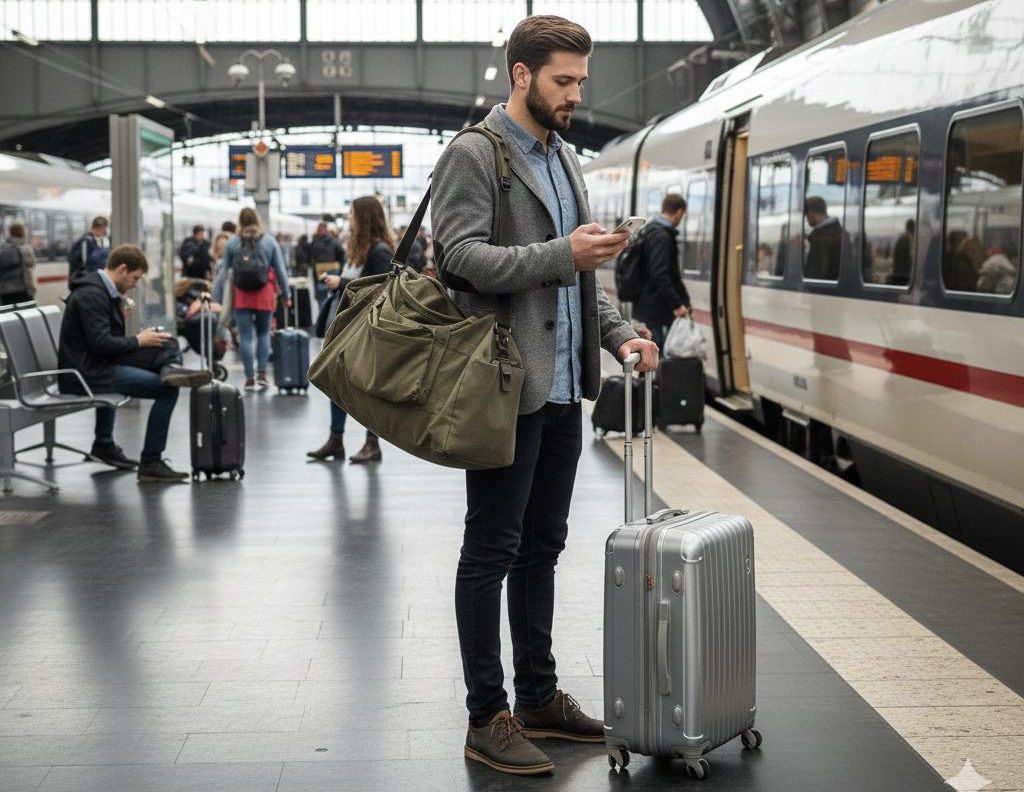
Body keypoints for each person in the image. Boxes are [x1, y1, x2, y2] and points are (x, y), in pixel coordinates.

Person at [431, 15, 658, 776]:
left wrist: (620, 334)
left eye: (581, 82)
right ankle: (484, 715)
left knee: (543, 547)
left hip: (563, 390)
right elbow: (459, 257)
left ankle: (537, 696)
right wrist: (562, 252)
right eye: (563, 81)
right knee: (489, 548)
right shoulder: (474, 153)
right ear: (521, 76)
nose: (575, 95)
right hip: (504, 385)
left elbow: (580, 281)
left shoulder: (564, 160)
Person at [57, 244, 212, 482]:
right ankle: (151, 461)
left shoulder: (99, 291)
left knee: (166, 342)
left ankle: (169, 368)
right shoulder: (92, 295)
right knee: (166, 390)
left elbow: (103, 340)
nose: (135, 284)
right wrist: (138, 341)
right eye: (135, 278)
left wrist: (128, 324)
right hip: (89, 372)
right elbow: (101, 344)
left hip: (97, 363)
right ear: (122, 269)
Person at [307, 196, 395, 463]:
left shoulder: (379, 251)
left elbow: (381, 288)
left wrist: (342, 280)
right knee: (337, 381)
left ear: (364, 218)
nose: (349, 219)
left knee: (367, 387)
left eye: (352, 214)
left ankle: (371, 443)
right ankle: (337, 440)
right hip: (349, 326)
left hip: (365, 329)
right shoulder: (361, 248)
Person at [213, 208, 291, 391]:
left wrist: (216, 298)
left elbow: (223, 274)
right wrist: (286, 295)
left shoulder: (233, 243)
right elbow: (280, 270)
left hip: (241, 295)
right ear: (258, 220)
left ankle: (249, 379)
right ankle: (262, 374)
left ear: (239, 221)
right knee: (264, 333)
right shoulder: (269, 241)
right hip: (264, 294)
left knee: (246, 336)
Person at [632, 194, 691, 351]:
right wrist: (677, 304)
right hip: (656, 310)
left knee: (651, 356)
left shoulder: (649, 230)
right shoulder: (662, 236)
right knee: (657, 356)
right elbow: (660, 274)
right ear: (679, 212)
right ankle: (655, 376)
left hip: (648, 305)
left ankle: (652, 376)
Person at [804, 196, 845, 280]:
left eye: (806, 215)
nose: (807, 220)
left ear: (812, 214)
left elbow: (814, 274)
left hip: (822, 290)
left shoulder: (820, 239)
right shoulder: (842, 232)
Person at [0, 222, 36, 305]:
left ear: (10, 233)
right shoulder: (25, 248)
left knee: (10, 315)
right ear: (23, 232)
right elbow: (30, 266)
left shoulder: (3, 249)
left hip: (5, 292)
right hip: (23, 290)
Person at [890, 219, 914, 286]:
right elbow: (907, 263)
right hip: (901, 278)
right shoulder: (905, 243)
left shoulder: (900, 240)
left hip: (898, 276)